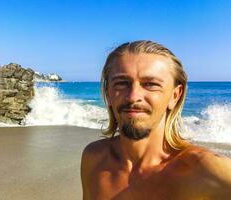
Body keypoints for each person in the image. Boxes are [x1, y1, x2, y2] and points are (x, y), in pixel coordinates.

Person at [81, 40, 231, 200]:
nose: (133, 96)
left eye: (151, 84)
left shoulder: (205, 171)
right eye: (121, 83)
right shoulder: (95, 158)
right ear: (108, 92)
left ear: (175, 95)